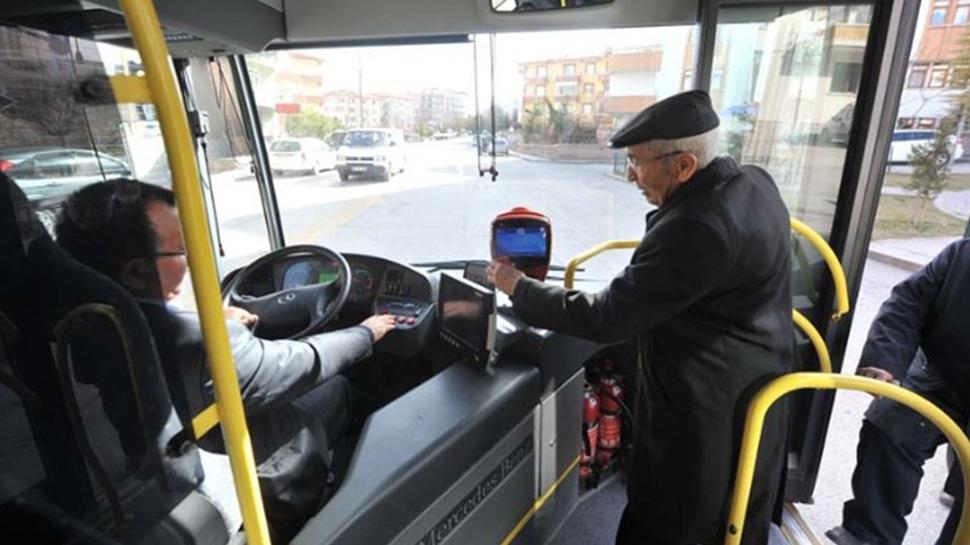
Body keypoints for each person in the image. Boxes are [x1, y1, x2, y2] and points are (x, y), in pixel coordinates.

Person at [487, 90, 792, 545]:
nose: (631, 176)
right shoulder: (754, 183)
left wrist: (519, 287)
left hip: (703, 411)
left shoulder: (697, 227)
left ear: (684, 165)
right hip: (753, 386)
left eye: (638, 162)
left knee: (673, 521)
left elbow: (610, 317)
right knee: (738, 512)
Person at [55, 179, 395, 540]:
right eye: (181, 250)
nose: (189, 262)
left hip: (156, 456)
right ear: (137, 273)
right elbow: (299, 363)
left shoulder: (88, 321)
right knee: (339, 385)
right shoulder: (203, 342)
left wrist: (215, 322)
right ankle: (336, 490)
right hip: (243, 471)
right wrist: (367, 332)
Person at [826, 239, 970, 545]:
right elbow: (909, 302)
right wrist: (883, 360)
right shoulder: (962, 255)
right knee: (891, 423)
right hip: (944, 374)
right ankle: (868, 536)